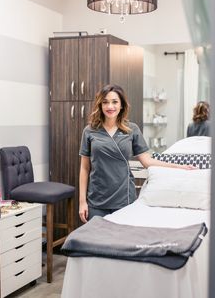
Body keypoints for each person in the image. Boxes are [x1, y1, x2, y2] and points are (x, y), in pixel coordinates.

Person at [79, 84, 195, 223]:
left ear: (121, 105)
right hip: (97, 198)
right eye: (105, 102)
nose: (110, 106)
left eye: (115, 102)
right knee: (96, 241)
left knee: (122, 241)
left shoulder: (131, 129)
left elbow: (147, 161)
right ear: (100, 105)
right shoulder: (90, 130)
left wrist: (179, 167)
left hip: (124, 198)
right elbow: (85, 168)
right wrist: (82, 202)